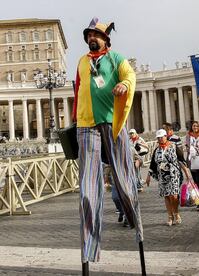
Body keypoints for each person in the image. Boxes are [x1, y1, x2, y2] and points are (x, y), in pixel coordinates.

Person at [72, 17, 142, 264]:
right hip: (85, 125)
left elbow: (130, 76)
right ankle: (89, 247)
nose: (92, 38)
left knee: (124, 179)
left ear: (105, 39)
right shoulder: (81, 61)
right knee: (88, 191)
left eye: (96, 35)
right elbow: (78, 89)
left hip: (113, 124)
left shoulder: (116, 59)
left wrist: (124, 83)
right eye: (89, 35)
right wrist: (74, 119)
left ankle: (134, 219)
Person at [146, 129, 188, 226]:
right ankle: (170, 216)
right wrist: (148, 176)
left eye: (162, 137)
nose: (160, 139)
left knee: (173, 195)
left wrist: (187, 173)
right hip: (162, 176)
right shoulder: (157, 150)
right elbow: (152, 164)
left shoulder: (174, 146)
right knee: (166, 196)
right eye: (158, 137)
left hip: (174, 174)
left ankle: (176, 213)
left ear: (166, 136)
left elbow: (181, 160)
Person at [185, 121, 199, 211]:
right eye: (194, 126)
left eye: (197, 126)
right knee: (195, 182)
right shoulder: (188, 136)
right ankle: (197, 199)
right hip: (191, 160)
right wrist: (190, 149)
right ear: (192, 127)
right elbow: (186, 146)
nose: (195, 127)